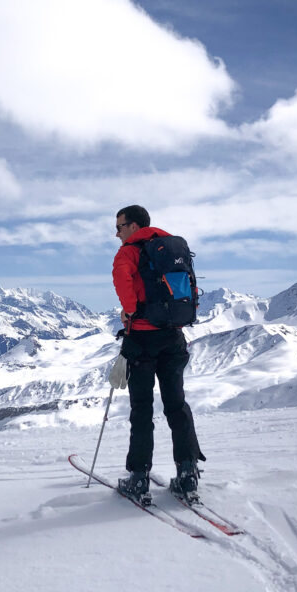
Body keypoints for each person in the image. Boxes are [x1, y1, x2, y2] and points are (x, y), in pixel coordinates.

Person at [112, 205, 205, 504]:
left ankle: (139, 479)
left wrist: (130, 314)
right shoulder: (172, 246)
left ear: (134, 225)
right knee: (176, 404)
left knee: (142, 409)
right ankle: (188, 471)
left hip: (141, 338)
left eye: (120, 226)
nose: (117, 233)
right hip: (173, 336)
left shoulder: (128, 253)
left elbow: (124, 290)